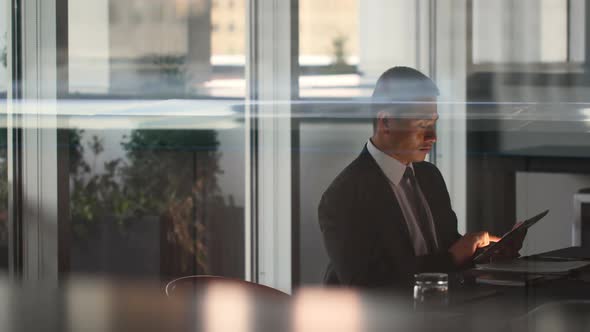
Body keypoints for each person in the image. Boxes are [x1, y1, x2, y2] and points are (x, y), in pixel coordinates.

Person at [318, 67, 519, 288]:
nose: (433, 136)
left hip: (440, 313)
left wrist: (485, 253)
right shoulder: (344, 196)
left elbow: (448, 250)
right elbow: (367, 286)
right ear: (386, 122)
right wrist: (453, 257)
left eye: (434, 123)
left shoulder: (429, 176)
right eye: (423, 125)